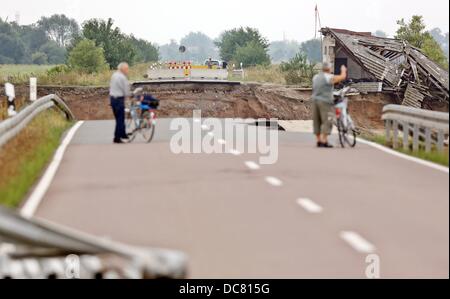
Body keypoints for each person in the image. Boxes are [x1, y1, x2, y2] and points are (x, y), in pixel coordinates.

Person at [312, 62, 347, 148]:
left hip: (314, 100)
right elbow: (342, 77)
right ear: (329, 69)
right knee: (327, 120)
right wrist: (343, 70)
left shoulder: (315, 77)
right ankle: (324, 140)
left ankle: (319, 140)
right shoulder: (329, 77)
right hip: (325, 101)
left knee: (317, 121)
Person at [109, 62, 131, 144]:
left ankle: (123, 134)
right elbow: (126, 90)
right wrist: (129, 96)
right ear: (123, 69)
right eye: (127, 69)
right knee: (120, 119)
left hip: (112, 99)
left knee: (118, 117)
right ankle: (117, 138)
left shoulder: (114, 75)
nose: (127, 70)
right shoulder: (122, 77)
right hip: (119, 99)